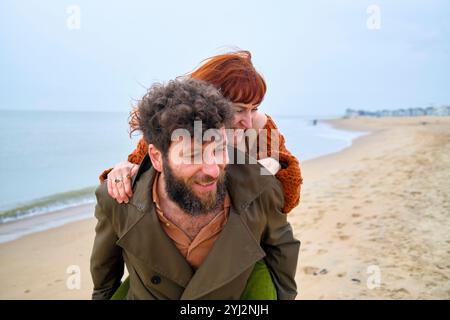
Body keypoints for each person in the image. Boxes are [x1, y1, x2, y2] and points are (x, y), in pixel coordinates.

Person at [90, 79, 300, 299]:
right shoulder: (116, 200)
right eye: (192, 154)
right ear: (156, 157)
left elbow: (282, 252)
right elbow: (104, 283)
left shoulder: (262, 189)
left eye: (218, 149)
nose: (211, 169)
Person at [100, 50, 303, 214]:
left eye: (254, 108)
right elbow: (136, 169)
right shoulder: (177, 123)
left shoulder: (260, 128)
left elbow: (289, 201)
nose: (248, 122)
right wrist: (122, 169)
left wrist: (271, 164)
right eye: (239, 109)